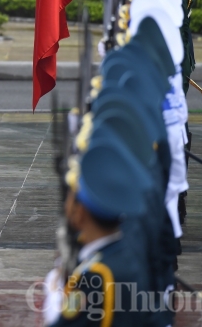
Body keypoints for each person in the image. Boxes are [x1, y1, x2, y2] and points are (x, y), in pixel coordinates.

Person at [42, 136, 152, 326]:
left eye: (70, 197)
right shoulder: (126, 248)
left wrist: (53, 293)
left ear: (80, 213)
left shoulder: (97, 276)